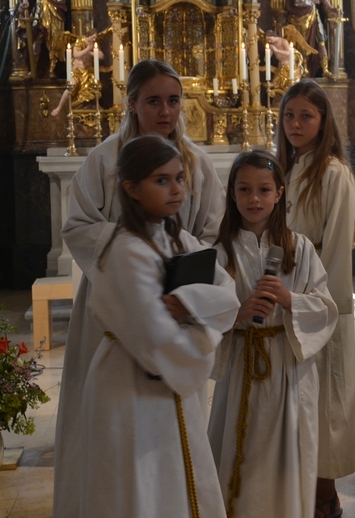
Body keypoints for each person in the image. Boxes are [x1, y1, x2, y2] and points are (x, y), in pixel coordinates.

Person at [53, 59, 227, 518]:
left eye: (173, 100)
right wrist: (139, 246)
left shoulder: (197, 162)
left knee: (174, 433)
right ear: (131, 104)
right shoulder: (104, 159)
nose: (166, 111)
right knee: (118, 436)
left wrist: (181, 267)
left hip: (176, 303)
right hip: (116, 307)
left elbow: (212, 235)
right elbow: (78, 227)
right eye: (153, 101)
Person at [77, 135, 240, 517]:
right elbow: (156, 335)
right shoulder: (125, 249)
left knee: (172, 489)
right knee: (140, 492)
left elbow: (227, 294)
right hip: (128, 386)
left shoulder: (177, 238)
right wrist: (201, 334)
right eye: (161, 180)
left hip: (168, 385)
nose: (176, 189)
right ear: (132, 188)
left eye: (180, 178)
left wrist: (188, 304)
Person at [208, 151, 338, 518]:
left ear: (279, 193)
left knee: (287, 461)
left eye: (264, 190)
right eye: (244, 189)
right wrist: (237, 313)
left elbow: (326, 309)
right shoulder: (219, 253)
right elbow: (201, 315)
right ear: (231, 193)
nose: (254, 199)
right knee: (242, 455)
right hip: (241, 366)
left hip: (288, 369)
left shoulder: (300, 248)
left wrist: (289, 298)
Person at [276, 80, 355, 518]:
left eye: (306, 116)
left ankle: (325, 497)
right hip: (285, 297)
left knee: (325, 402)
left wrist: (325, 307)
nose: (296, 124)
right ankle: (300, 491)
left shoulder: (332, 172)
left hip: (320, 300)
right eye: (289, 116)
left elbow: (337, 244)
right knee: (296, 401)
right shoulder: (283, 167)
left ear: (324, 122)